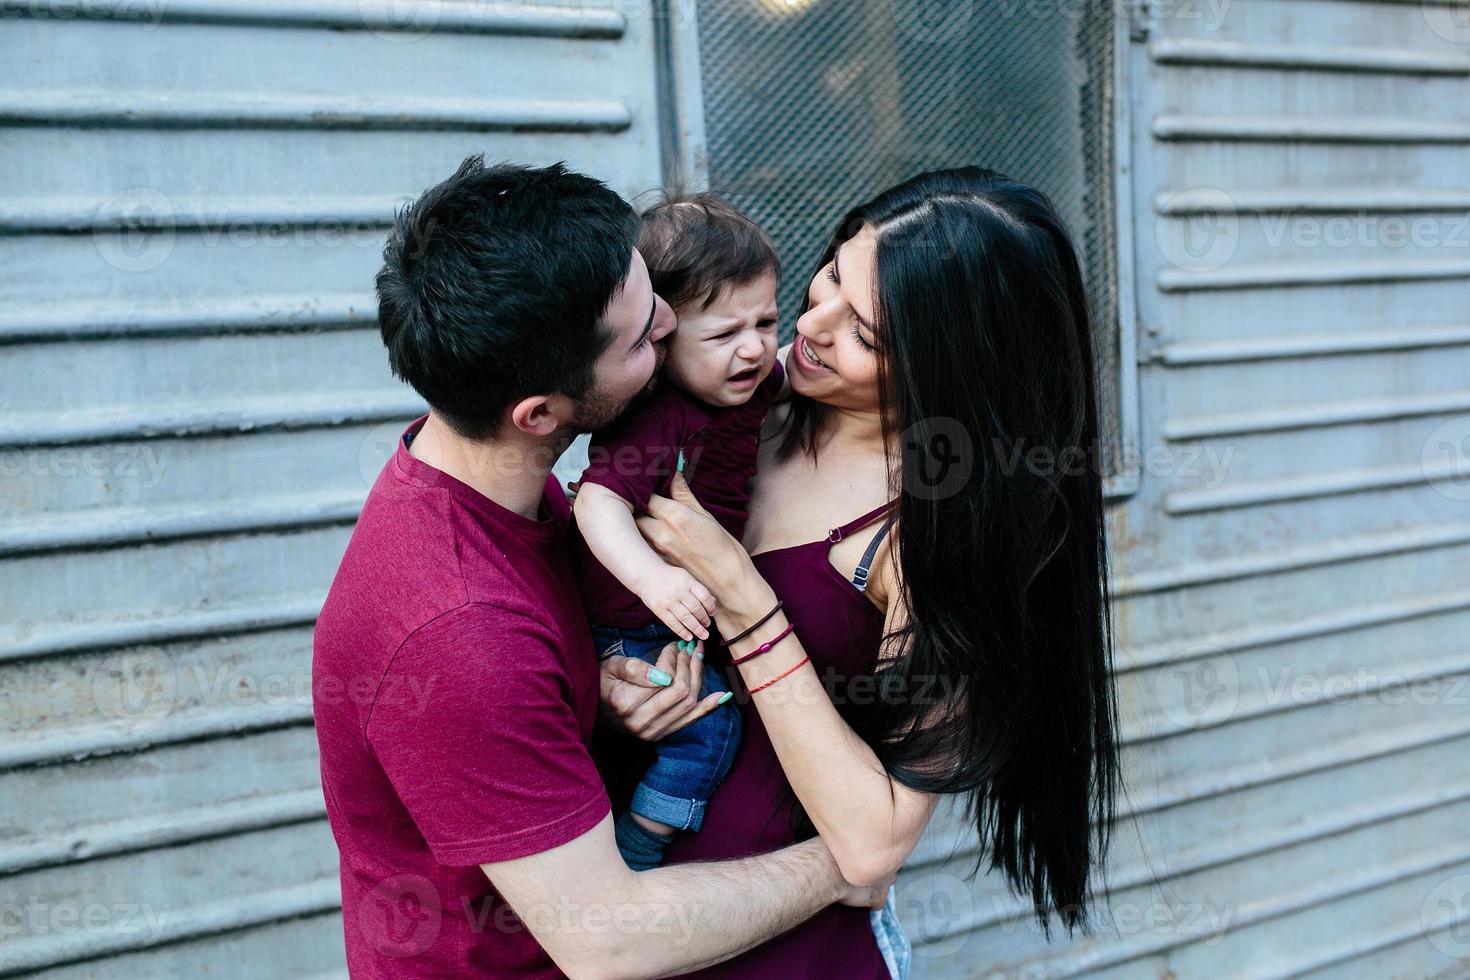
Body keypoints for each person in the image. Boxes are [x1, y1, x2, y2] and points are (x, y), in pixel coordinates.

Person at [312, 156, 890, 979]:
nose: (668, 320)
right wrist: (848, 860)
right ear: (541, 413)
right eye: (645, 334)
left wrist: (609, 680)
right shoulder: (456, 628)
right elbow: (609, 940)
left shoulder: (499, 487)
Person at [608, 167, 1122, 977]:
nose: (810, 324)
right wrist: (617, 685)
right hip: (633, 916)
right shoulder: (742, 387)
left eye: (866, 336)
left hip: (792, 949)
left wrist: (745, 602)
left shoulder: (935, 530)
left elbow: (876, 839)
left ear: (951, 369)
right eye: (831, 277)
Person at [569, 194, 783, 870]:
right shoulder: (656, 417)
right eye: (724, 334)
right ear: (660, 339)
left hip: (687, 609)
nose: (753, 347)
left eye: (768, 321)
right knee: (709, 726)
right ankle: (639, 845)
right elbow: (596, 503)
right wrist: (652, 578)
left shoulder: (754, 381)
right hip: (633, 620)